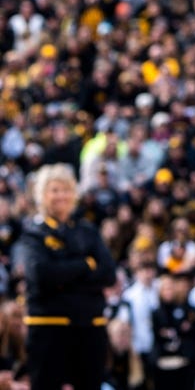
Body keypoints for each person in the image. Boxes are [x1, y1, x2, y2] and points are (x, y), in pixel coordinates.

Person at [13, 163, 118, 390]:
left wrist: (63, 275)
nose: (61, 195)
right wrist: (85, 264)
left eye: (66, 189)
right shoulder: (34, 233)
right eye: (54, 189)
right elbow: (41, 275)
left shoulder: (87, 230)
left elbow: (108, 274)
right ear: (42, 195)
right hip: (48, 329)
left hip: (90, 327)